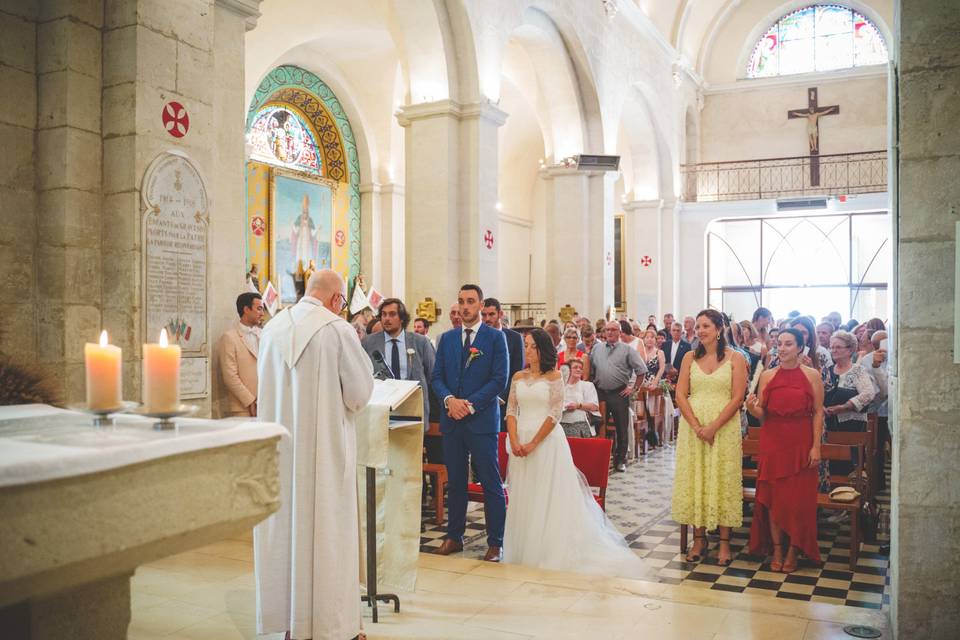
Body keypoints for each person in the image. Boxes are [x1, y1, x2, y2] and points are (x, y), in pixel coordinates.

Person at [255, 269, 374, 640]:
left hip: (280, 452)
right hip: (325, 454)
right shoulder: (337, 330)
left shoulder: (273, 329)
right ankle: (330, 626)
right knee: (328, 531)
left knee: (285, 530)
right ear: (337, 299)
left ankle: (289, 623)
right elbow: (359, 393)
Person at [503, 329, 652, 578]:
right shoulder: (518, 376)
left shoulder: (553, 376)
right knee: (524, 496)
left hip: (545, 442)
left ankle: (546, 551)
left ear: (541, 349)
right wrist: (516, 439)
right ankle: (523, 551)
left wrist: (532, 444)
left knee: (546, 497)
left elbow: (554, 414)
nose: (526, 350)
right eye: (525, 345)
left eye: (530, 346)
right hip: (520, 441)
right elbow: (510, 411)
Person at [431, 284, 508, 562]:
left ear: (480, 304)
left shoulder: (495, 338)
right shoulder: (447, 339)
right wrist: (449, 399)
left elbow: (499, 379)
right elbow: (437, 377)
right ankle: (454, 536)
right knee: (456, 482)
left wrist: (470, 404)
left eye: (470, 301)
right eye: (461, 301)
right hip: (452, 420)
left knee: (490, 482)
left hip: (482, 421)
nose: (465, 307)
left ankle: (495, 542)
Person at [671, 309, 748, 566]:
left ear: (718, 329)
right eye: (698, 327)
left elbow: (738, 397)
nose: (700, 331)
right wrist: (696, 425)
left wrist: (714, 426)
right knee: (697, 477)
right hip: (693, 426)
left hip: (724, 425)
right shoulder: (689, 358)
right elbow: (681, 394)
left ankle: (724, 543)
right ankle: (699, 538)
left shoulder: (736, 358)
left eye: (706, 326)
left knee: (722, 478)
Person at [746, 328, 824, 573]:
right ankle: (778, 549)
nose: (781, 348)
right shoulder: (768, 376)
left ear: (800, 347)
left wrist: (816, 447)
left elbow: (819, 413)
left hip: (800, 441)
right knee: (773, 498)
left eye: (788, 344)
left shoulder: (812, 376)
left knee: (797, 501)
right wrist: (751, 408)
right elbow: (763, 415)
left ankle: (794, 549)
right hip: (773, 442)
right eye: (779, 343)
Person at [361, 298, 435, 424]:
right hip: (381, 409)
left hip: (412, 408)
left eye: (392, 314)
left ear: (402, 318)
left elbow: (432, 374)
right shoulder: (369, 343)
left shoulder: (420, 342)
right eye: (383, 314)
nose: (386, 319)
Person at [591, 321, 647, 472]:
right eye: (607, 330)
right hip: (600, 392)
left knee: (622, 427)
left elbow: (641, 370)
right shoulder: (597, 348)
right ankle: (600, 458)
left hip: (619, 392)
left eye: (613, 330)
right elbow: (591, 369)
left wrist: (633, 388)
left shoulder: (627, 350)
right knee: (599, 426)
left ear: (620, 332)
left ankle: (620, 459)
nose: (609, 332)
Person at [824, 330, 877, 479]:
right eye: (831, 347)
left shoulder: (857, 371)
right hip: (828, 425)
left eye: (838, 347)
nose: (833, 350)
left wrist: (845, 406)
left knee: (847, 466)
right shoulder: (826, 371)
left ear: (850, 349)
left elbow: (868, 394)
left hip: (851, 426)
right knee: (830, 463)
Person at [217, 292, 263, 417]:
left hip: (265, 404)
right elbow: (230, 376)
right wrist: (250, 400)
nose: (262, 313)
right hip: (242, 407)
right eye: (259, 308)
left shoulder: (265, 335)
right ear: (246, 309)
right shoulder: (229, 338)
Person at [482, 297, 526, 415]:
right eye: (484, 315)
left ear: (500, 314)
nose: (487, 319)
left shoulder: (515, 338)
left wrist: (501, 397)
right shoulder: (477, 337)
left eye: (491, 314)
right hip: (480, 400)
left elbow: (517, 373)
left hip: (505, 402)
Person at [860, 330, 889, 489]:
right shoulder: (866, 360)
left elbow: (887, 391)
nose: (880, 348)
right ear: (872, 344)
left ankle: (879, 481)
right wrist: (875, 366)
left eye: (884, 344)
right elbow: (873, 390)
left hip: (888, 409)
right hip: (873, 410)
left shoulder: (894, 359)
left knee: (882, 447)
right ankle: (874, 484)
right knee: (874, 448)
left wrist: (878, 368)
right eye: (876, 344)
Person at [559, 358, 600, 437]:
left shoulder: (587, 385)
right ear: (568, 370)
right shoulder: (561, 386)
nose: (578, 370)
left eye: (580, 368)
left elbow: (595, 407)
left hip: (580, 423)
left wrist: (577, 405)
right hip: (561, 423)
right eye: (575, 367)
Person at [639, 328, 666, 446]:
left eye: (652, 337)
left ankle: (653, 434)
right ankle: (641, 436)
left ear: (655, 340)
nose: (649, 340)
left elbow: (661, 368)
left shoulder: (659, 352)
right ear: (643, 340)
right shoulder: (640, 351)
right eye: (647, 337)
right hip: (641, 383)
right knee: (641, 410)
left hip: (654, 382)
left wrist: (655, 382)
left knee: (653, 410)